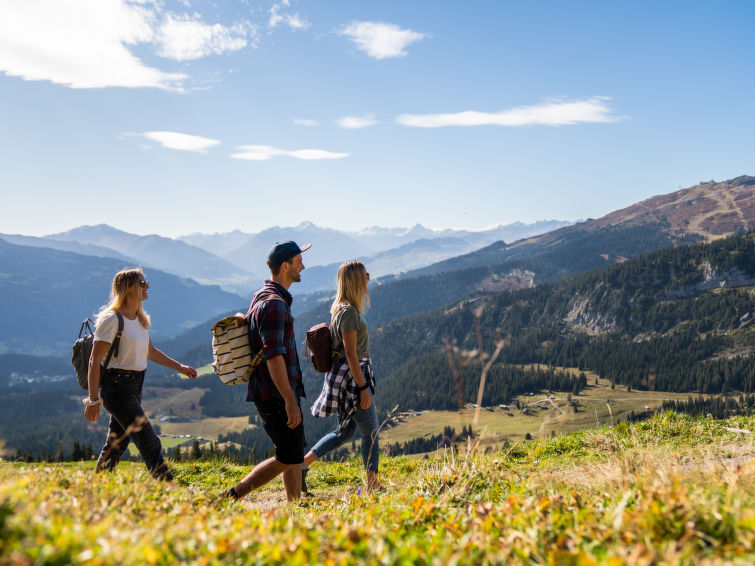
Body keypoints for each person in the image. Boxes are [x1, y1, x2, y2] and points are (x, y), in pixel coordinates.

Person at [83, 268, 197, 480]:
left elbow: (150, 351)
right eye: (143, 283)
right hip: (116, 388)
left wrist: (179, 367)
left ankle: (96, 485)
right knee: (149, 440)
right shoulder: (112, 320)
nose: (147, 286)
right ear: (128, 289)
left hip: (134, 386)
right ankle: (168, 488)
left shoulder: (138, 318)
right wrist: (92, 400)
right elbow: (94, 360)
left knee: (117, 442)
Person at [223, 241, 310, 502]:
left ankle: (294, 503)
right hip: (275, 394)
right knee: (288, 455)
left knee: (293, 450)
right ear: (285, 266)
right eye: (298, 261)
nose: (303, 266)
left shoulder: (265, 295)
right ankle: (232, 495)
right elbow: (273, 356)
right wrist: (289, 399)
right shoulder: (274, 305)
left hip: (275, 391)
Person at [308, 260, 380, 491]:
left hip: (345, 376)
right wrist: (362, 387)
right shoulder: (349, 312)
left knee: (344, 432)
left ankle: (301, 465)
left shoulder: (340, 308)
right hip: (352, 378)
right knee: (371, 432)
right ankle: (373, 485)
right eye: (365, 275)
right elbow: (350, 352)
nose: (368, 279)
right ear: (356, 281)